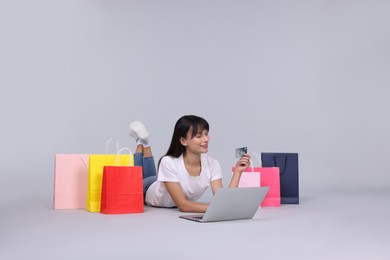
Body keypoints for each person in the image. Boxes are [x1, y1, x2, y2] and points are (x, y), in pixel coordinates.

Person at [129, 115, 250, 213]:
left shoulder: (213, 164)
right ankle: (144, 143)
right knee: (139, 176)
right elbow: (183, 205)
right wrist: (219, 209)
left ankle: (143, 142)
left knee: (152, 175)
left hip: (168, 180)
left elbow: (223, 201)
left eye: (206, 134)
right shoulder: (168, 162)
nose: (206, 139)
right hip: (148, 188)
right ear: (183, 141)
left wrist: (238, 171)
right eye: (199, 136)